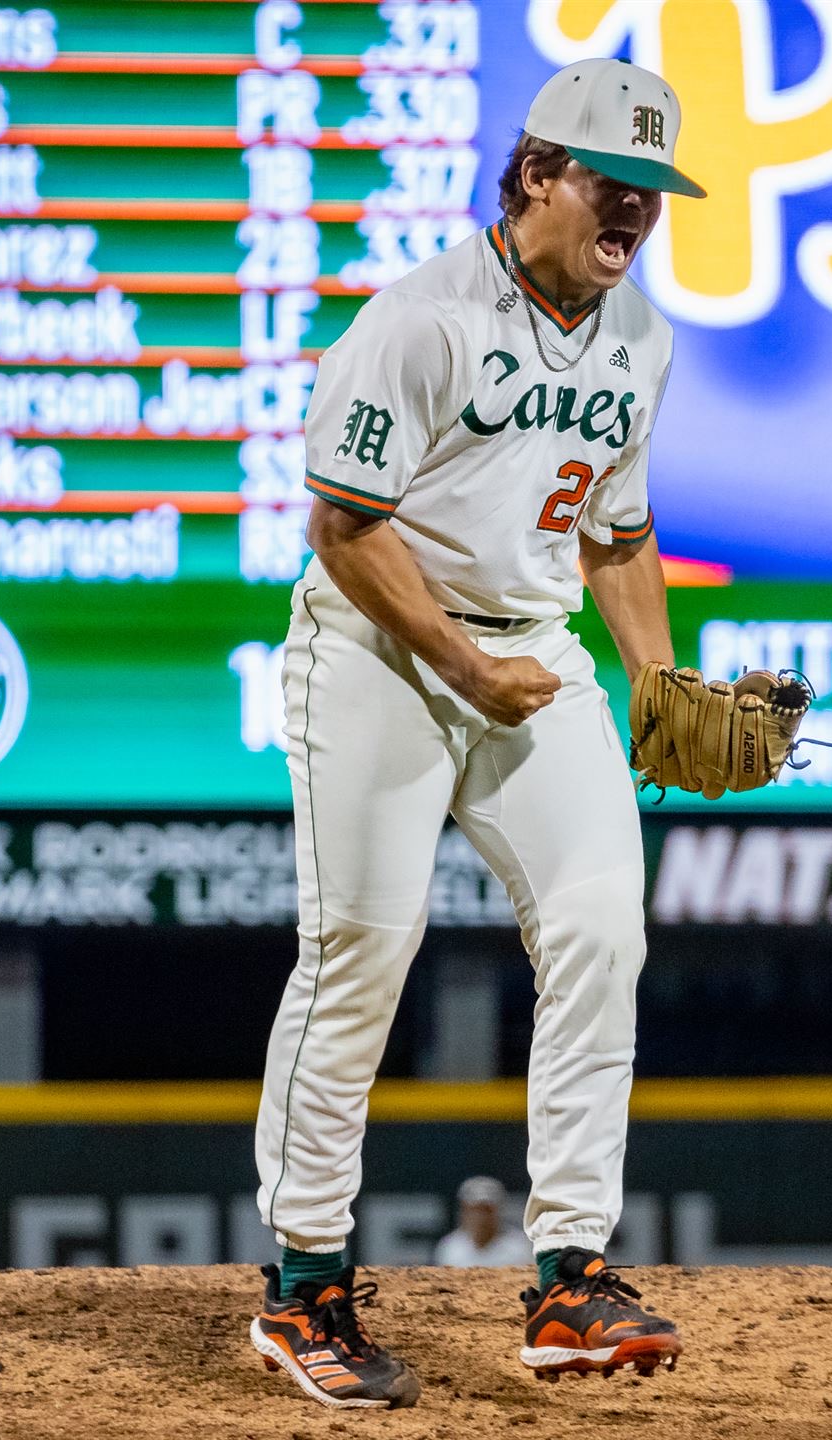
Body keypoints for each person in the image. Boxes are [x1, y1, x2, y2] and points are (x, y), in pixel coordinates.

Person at [246, 58, 704, 1410]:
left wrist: (657, 681)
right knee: (360, 950)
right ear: (537, 175)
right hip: (380, 647)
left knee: (603, 923)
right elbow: (342, 527)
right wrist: (455, 657)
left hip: (531, 644)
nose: (633, 215)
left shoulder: (641, 337)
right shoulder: (423, 319)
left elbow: (618, 535)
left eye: (653, 194)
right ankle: (303, 1285)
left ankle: (571, 1276)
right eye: (611, 186)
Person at [431, 1176, 535, 1268]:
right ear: (463, 1212)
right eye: (474, 1210)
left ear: (498, 1211)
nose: (480, 1217)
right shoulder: (449, 1248)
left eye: (486, 1210)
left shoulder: (520, 1247)